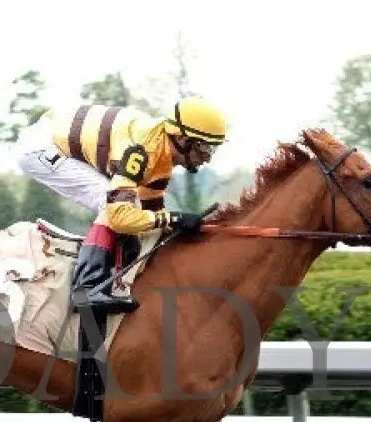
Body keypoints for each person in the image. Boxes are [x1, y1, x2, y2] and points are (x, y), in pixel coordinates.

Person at [16, 96, 228, 313]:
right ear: (183, 140)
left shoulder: (162, 156)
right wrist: (173, 218)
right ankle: (87, 287)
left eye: (212, 151)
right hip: (42, 147)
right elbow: (119, 216)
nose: (207, 159)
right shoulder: (142, 150)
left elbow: (151, 211)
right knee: (108, 201)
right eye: (205, 149)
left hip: (62, 137)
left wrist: (178, 225)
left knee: (133, 210)